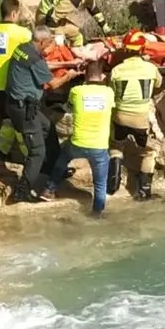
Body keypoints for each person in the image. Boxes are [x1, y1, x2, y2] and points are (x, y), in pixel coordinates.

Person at [5, 27, 82, 202]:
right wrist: (69, 75)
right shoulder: (34, 58)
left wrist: (64, 65)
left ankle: (54, 169)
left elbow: (42, 67)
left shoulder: (22, 49)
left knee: (49, 129)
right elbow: (53, 84)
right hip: (24, 109)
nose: (50, 46)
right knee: (37, 151)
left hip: (18, 103)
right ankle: (22, 190)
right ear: (41, 42)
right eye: (48, 43)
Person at [42, 62, 114, 216]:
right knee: (100, 184)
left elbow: (68, 108)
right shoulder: (109, 92)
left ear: (85, 76)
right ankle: (97, 213)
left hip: (78, 142)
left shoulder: (76, 90)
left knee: (63, 158)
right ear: (102, 76)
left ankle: (49, 189)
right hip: (99, 146)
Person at [108, 30, 162, 200]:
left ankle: (113, 182)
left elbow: (111, 89)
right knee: (149, 152)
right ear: (143, 49)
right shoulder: (151, 68)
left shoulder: (116, 70)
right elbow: (159, 83)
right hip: (141, 118)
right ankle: (144, 191)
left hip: (120, 116)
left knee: (116, 146)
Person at [0, 0, 32, 163]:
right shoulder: (22, 33)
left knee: (8, 118)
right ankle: (31, 157)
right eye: (18, 14)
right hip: (8, 84)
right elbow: (34, 54)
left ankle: (0, 151)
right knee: (19, 121)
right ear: (13, 13)